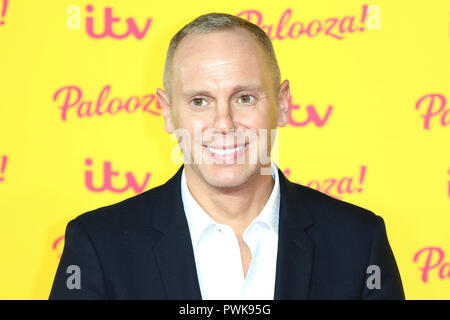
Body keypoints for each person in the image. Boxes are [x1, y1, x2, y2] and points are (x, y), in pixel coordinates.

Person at [49, 12, 404, 300]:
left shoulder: (358, 242)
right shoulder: (99, 245)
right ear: (167, 112)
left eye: (245, 98)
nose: (224, 123)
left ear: (283, 104)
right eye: (199, 101)